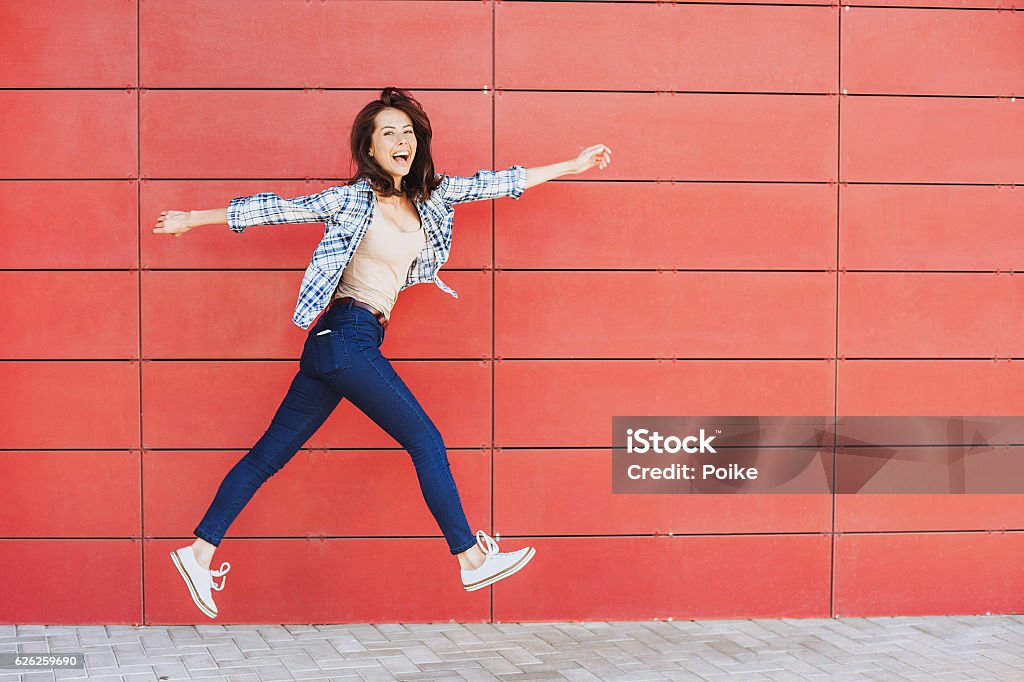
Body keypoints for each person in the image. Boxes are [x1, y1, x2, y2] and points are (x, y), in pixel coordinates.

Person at [153, 86, 612, 619]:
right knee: (425, 438)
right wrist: (193, 217)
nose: (401, 140)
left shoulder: (431, 199)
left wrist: (572, 166)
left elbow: (497, 184)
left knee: (266, 458)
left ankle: (198, 551)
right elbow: (277, 209)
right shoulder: (351, 199)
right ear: (369, 149)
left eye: (408, 132)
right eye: (388, 132)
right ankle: (469, 559)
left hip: (340, 346)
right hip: (345, 336)